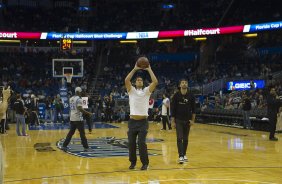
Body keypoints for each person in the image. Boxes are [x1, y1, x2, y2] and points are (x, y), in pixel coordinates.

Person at [124, 58, 158, 170]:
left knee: (141, 143)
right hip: (132, 121)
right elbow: (126, 80)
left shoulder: (146, 91)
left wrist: (149, 69)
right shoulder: (131, 90)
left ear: (143, 83)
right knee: (131, 144)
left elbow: (155, 82)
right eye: (137, 80)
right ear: (135, 82)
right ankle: (132, 162)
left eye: (141, 80)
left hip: (143, 122)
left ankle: (145, 163)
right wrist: (134, 69)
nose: (139, 81)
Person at [171, 79, 195, 164]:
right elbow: (173, 110)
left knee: (185, 139)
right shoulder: (176, 96)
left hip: (187, 120)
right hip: (178, 120)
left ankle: (184, 154)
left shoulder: (191, 96)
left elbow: (194, 109)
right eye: (182, 83)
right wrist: (173, 121)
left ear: (187, 85)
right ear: (180, 85)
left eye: (185, 83)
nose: (184, 84)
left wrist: (193, 120)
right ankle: (180, 156)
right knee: (179, 138)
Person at [62, 87, 93, 151]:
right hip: (78, 119)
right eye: (81, 92)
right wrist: (88, 113)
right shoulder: (79, 99)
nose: (81, 93)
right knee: (82, 134)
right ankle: (86, 147)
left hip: (72, 118)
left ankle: (64, 145)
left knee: (71, 133)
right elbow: (80, 108)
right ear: (79, 92)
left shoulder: (71, 98)